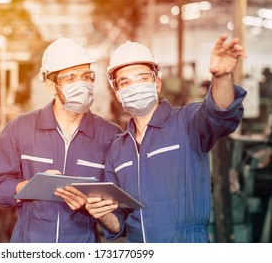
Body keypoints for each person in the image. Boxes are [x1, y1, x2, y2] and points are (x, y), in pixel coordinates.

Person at [85, 34, 247, 243]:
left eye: (143, 78)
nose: (134, 86)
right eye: (125, 82)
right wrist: (103, 214)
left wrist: (222, 77)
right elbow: (120, 221)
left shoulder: (187, 122)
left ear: (157, 83)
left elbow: (219, 113)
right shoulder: (118, 150)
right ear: (117, 93)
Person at [0, 38, 122, 243]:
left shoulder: (111, 135)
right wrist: (28, 187)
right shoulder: (21, 128)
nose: (81, 84)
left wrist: (99, 211)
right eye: (70, 78)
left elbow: (121, 211)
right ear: (50, 85)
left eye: (86, 76)